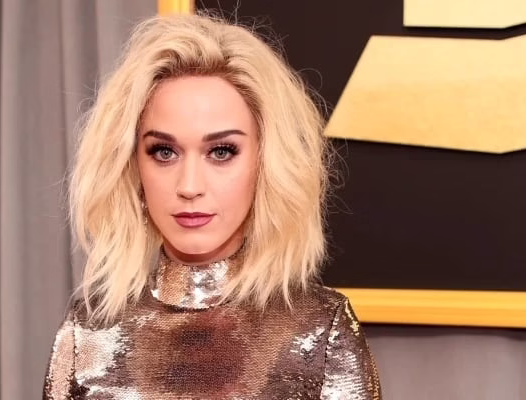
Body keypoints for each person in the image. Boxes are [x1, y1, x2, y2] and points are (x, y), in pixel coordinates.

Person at [43, 13, 381, 400]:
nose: (189, 187)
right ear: (133, 166)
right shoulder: (88, 331)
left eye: (221, 152)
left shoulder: (321, 331)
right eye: (164, 152)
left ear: (266, 162)